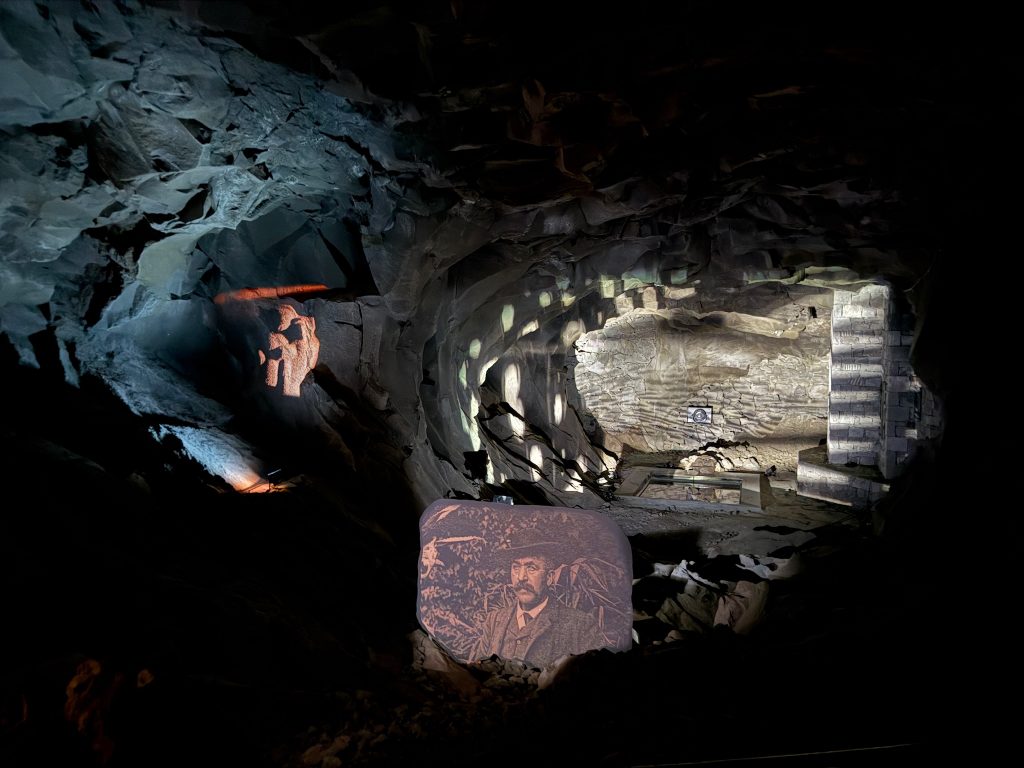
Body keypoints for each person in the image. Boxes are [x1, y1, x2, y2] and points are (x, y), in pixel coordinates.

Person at [470, 526, 605, 668]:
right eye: (516, 567)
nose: (521, 577)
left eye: (531, 568)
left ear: (549, 577)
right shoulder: (494, 621)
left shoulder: (580, 627)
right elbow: (477, 674)